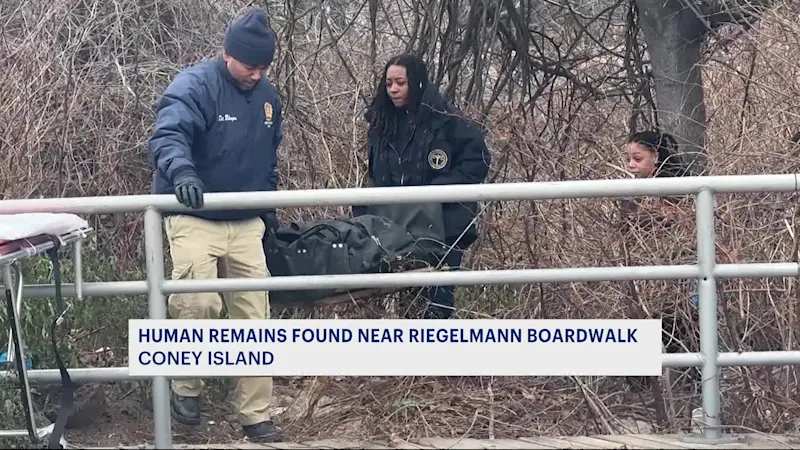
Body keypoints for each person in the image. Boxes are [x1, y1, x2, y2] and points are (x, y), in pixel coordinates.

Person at [147, 8, 282, 443]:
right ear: (228, 54)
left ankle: (256, 415)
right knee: (198, 302)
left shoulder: (268, 97)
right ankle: (186, 388)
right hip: (194, 215)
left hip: (246, 222)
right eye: (249, 65)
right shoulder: (194, 86)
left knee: (255, 317)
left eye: (263, 67)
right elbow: (168, 135)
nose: (255, 73)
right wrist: (183, 174)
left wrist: (269, 209)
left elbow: (269, 155)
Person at [358, 53, 491, 319]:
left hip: (441, 224)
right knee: (406, 300)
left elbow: (477, 162)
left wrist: (436, 192)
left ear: (416, 83)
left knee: (438, 302)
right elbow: (378, 175)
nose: (394, 89)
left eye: (400, 83)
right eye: (389, 84)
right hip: (394, 226)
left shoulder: (447, 122)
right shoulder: (381, 123)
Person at [620, 130, 698, 391]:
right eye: (629, 158)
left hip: (676, 277)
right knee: (643, 328)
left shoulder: (678, 188)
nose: (631, 165)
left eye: (637, 158)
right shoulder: (634, 191)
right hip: (645, 275)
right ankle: (644, 394)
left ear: (657, 157)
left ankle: (691, 391)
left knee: (678, 328)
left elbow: (682, 227)